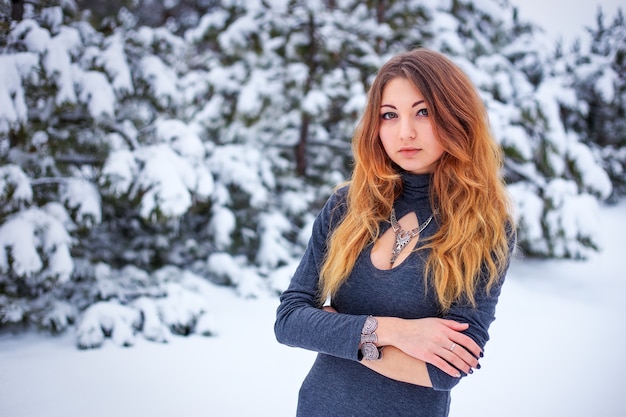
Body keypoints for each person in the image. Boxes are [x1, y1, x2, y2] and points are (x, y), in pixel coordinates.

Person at [274, 48, 516, 417]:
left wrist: (337, 328)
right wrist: (397, 333)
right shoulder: (346, 207)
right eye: (390, 115)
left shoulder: (483, 227)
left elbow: (444, 369)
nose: (406, 132)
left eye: (424, 112)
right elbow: (290, 321)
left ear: (456, 117)